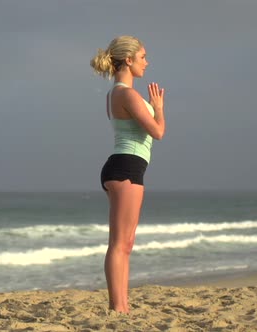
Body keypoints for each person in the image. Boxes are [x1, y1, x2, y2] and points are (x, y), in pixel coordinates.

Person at [90, 35, 166, 313]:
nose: (147, 62)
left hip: (128, 167)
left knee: (126, 244)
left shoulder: (117, 93)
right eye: (143, 57)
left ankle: (122, 305)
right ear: (129, 59)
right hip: (126, 168)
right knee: (120, 244)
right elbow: (157, 132)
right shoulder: (126, 94)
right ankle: (117, 307)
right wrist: (158, 109)